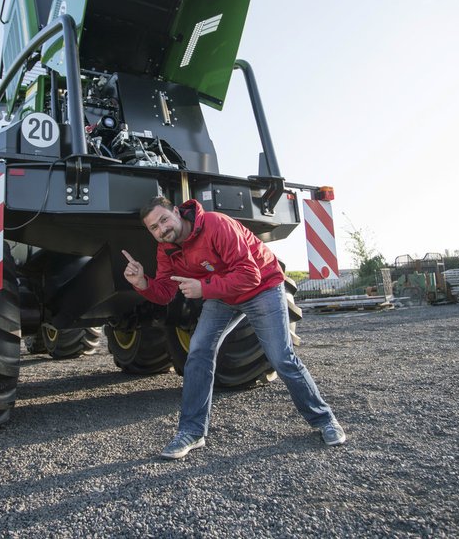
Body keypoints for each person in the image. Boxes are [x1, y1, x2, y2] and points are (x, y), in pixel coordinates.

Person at [122, 196, 346, 459]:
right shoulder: (167, 249)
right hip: (223, 295)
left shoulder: (216, 225)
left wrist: (203, 288)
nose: (162, 229)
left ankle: (324, 420)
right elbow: (165, 293)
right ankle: (192, 432)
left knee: (280, 357)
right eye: (154, 228)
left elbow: (250, 275)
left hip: (262, 287)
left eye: (163, 220)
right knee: (198, 353)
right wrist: (142, 283)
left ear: (176, 211)